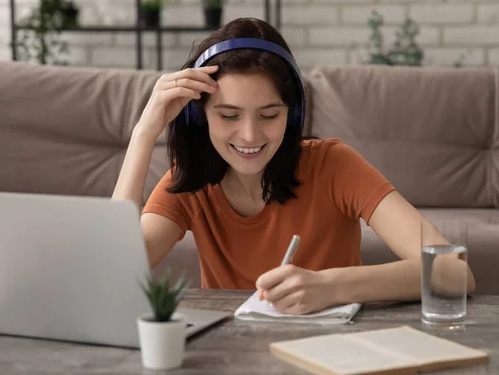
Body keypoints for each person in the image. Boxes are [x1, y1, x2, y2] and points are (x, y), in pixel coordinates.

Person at [112, 17, 475, 315]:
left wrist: (332, 286)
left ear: (293, 113)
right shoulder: (189, 181)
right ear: (201, 116)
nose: (250, 135)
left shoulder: (334, 165)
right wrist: (145, 132)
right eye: (228, 115)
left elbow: (454, 272)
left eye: (269, 115)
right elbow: (113, 271)